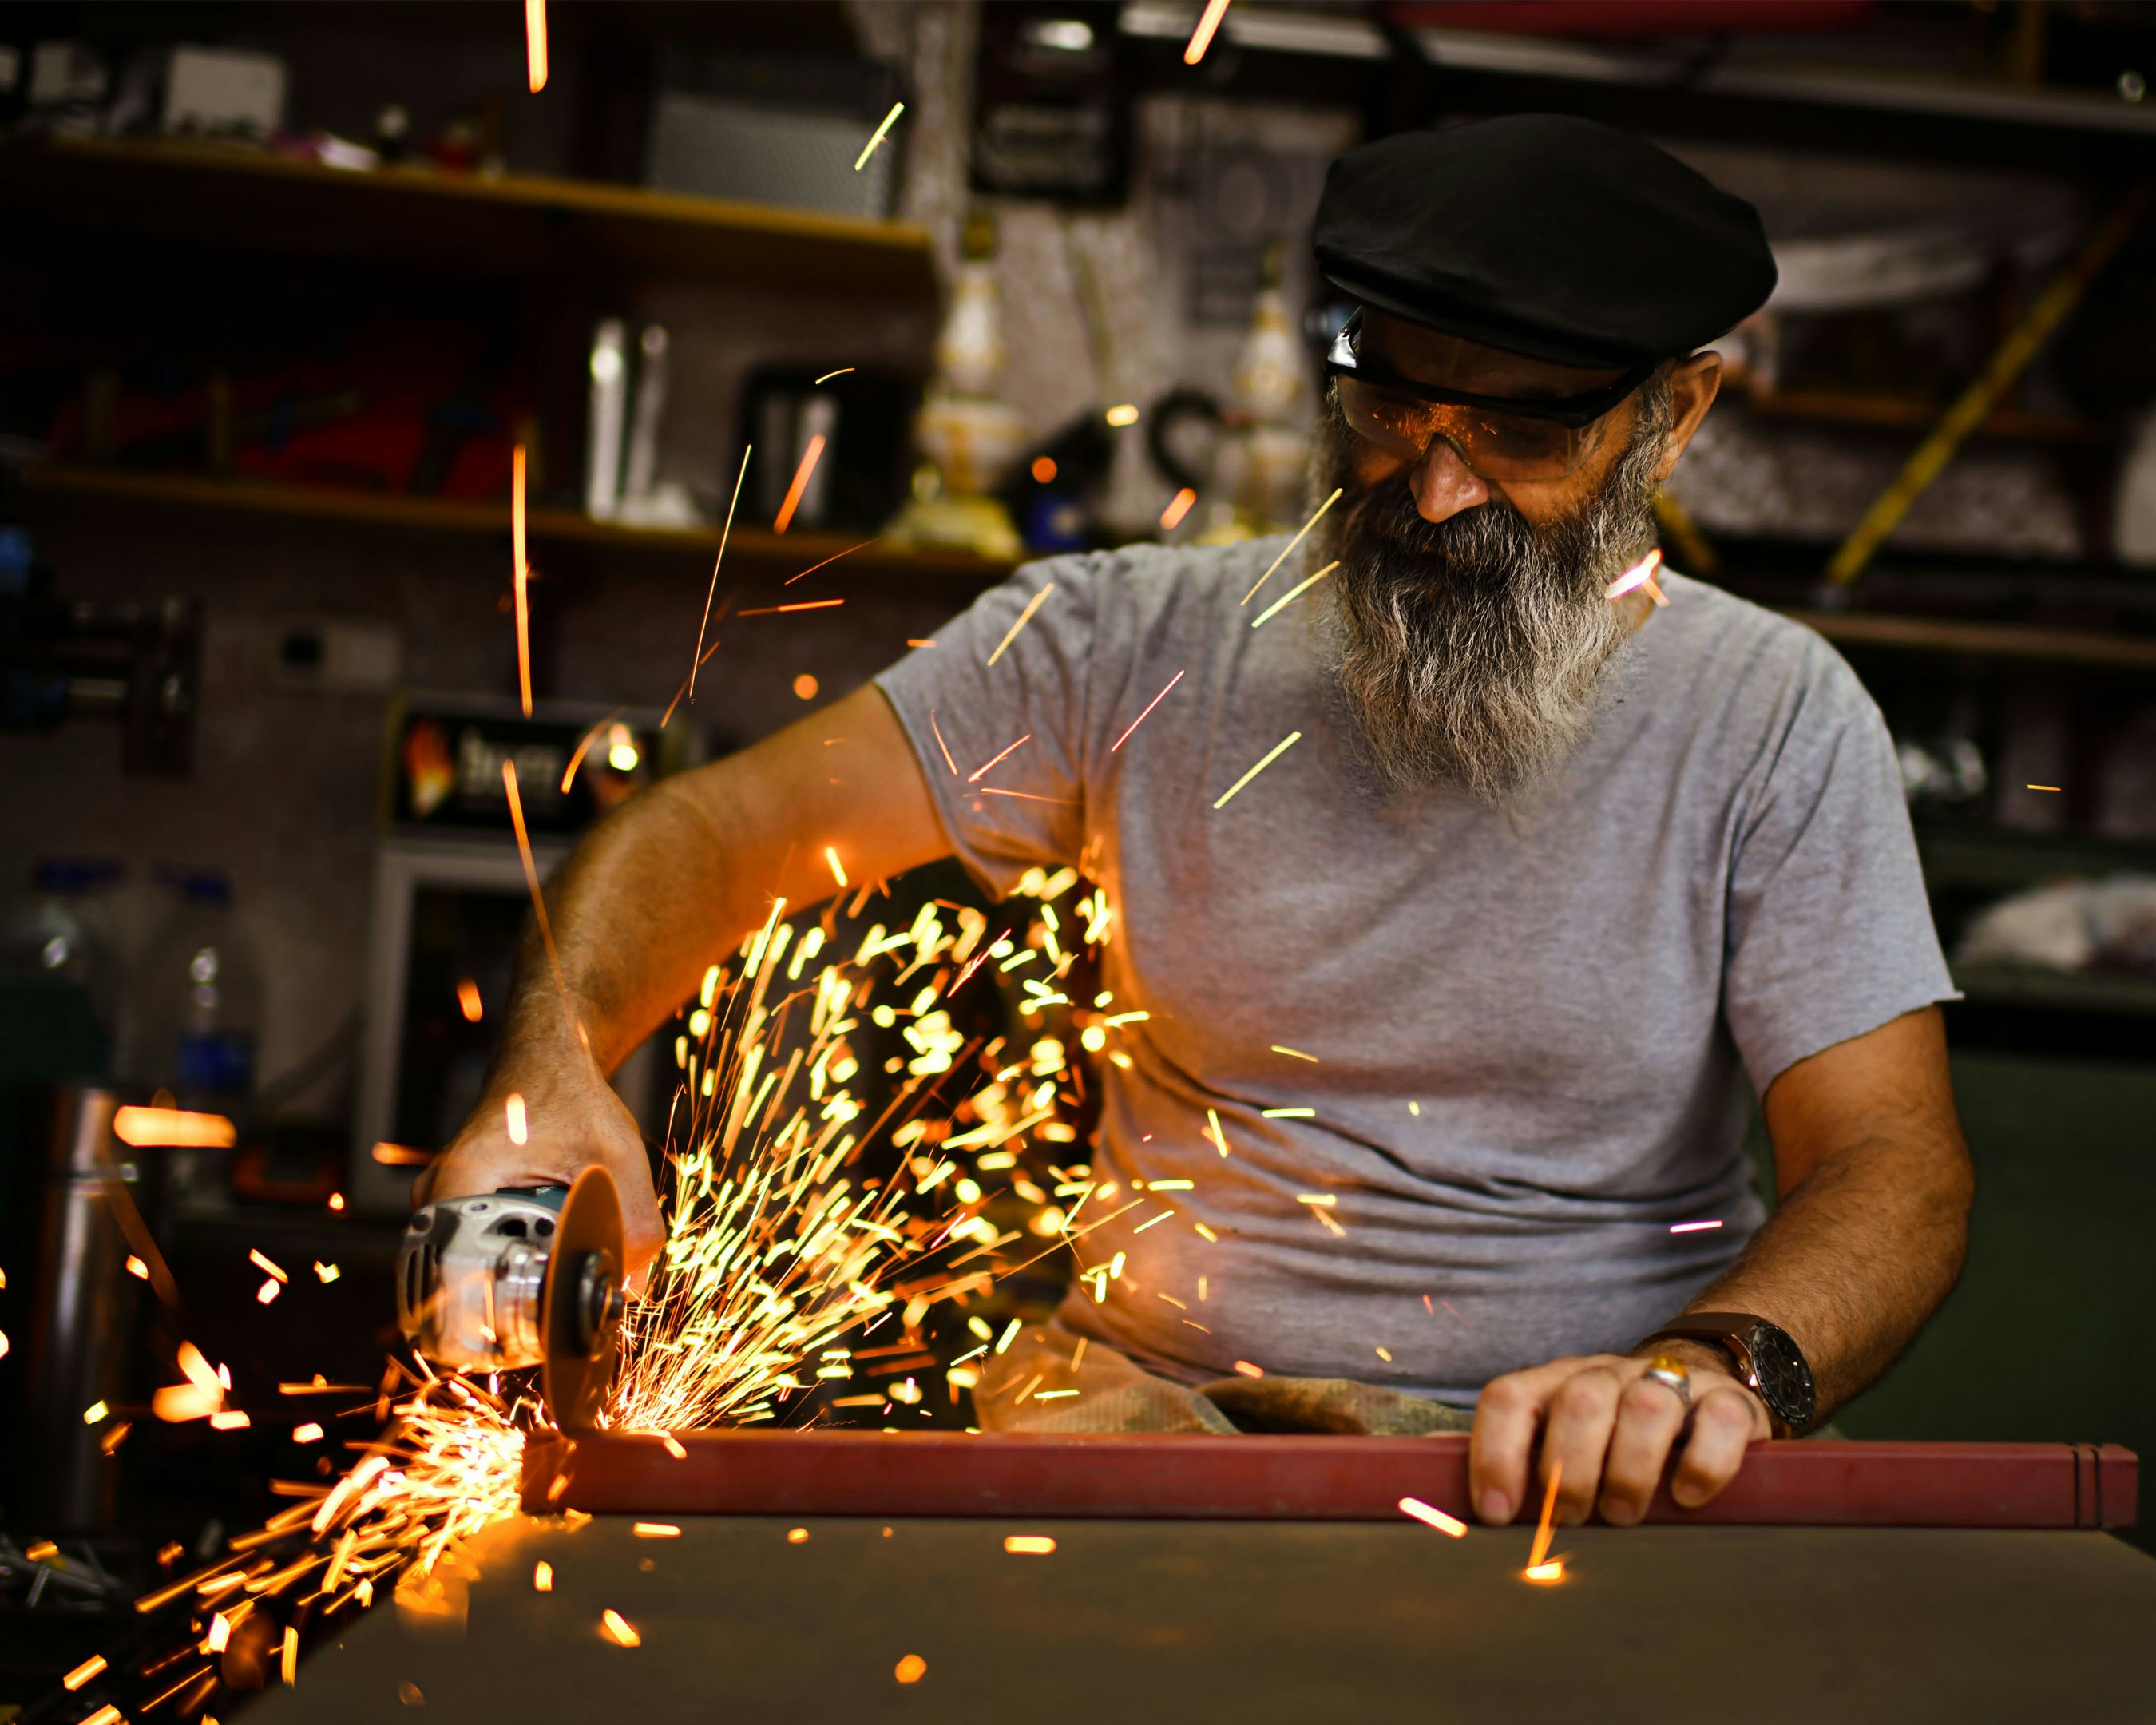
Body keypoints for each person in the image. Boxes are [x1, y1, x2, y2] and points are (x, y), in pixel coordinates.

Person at [424, 115, 1971, 1533]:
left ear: (1673, 412)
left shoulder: (1777, 717)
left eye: (1519, 437)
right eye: (1389, 406)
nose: (1432, 492)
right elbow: (718, 832)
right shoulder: (1124, 644)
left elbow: (1892, 1161)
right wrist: (552, 1067)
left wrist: (1709, 1374)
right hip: (1142, 1417)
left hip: (1579, 1453)